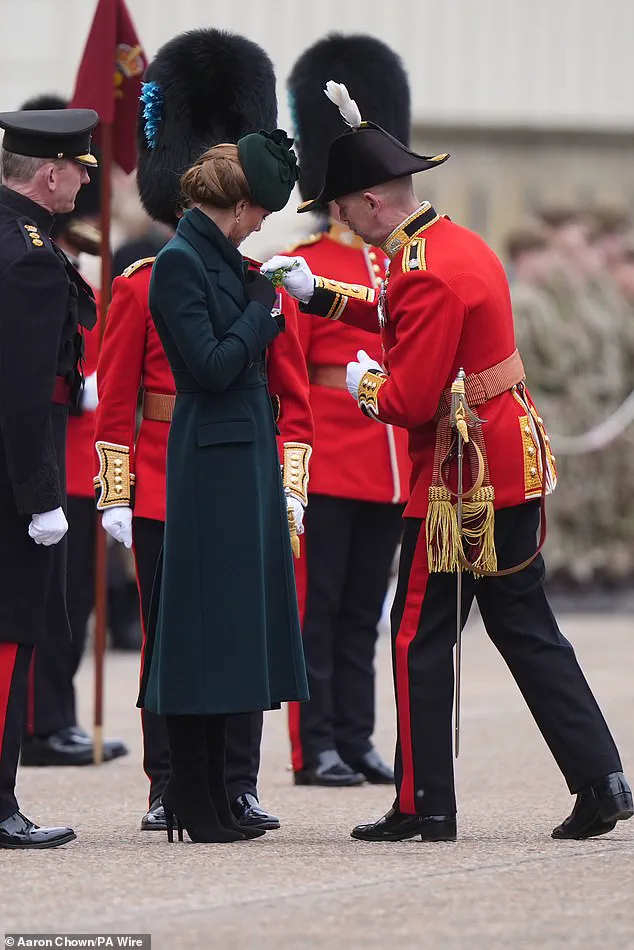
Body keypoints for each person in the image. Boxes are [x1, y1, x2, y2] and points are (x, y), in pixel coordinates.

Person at [262, 84, 633, 842]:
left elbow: (410, 395)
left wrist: (365, 380)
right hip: (508, 462)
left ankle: (423, 801)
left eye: (344, 206)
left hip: (460, 481)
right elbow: (407, 311)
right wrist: (325, 296)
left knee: (417, 637)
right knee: (528, 626)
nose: (342, 221)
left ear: (371, 203)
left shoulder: (420, 268)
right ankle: (601, 777)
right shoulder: (454, 244)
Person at [95, 28, 313, 833]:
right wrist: (113, 492)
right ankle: (169, 784)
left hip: (235, 472)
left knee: (242, 630)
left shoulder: (254, 278)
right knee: (171, 637)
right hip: (162, 478)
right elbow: (117, 399)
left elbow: (290, 400)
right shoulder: (145, 282)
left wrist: (290, 488)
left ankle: (236, 779)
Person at [137, 132, 309, 844]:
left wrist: (259, 295)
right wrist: (263, 314)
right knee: (200, 633)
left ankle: (213, 791)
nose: (263, 224)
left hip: (240, 457)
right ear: (235, 207)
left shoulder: (219, 259)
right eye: (259, 213)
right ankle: (190, 793)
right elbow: (208, 366)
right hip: (211, 460)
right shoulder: (178, 264)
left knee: (230, 630)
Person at [283, 34, 412, 787]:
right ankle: (314, 744)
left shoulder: (394, 260)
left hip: (387, 454)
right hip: (330, 455)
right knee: (318, 609)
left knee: (367, 612)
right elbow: (293, 374)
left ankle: (357, 736)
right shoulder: (311, 268)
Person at [12, 94, 127, 768]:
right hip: (50, 453)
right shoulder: (31, 257)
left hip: (75, 457)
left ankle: (53, 715)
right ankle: (39, 721)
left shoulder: (66, 265)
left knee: (70, 603)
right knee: (41, 606)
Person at [0, 106, 99, 848]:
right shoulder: (31, 253)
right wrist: (40, 497)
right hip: (14, 476)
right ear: (51, 173)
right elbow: (22, 389)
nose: (85, 180)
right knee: (10, 635)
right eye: (80, 168)